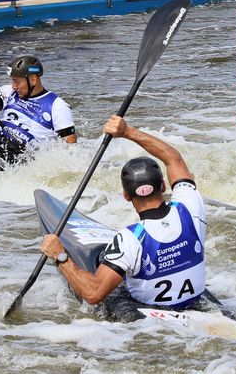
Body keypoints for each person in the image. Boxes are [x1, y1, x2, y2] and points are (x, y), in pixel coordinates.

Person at [41, 115, 206, 309]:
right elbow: (173, 158)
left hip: (155, 323)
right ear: (163, 186)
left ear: (126, 196)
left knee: (109, 263)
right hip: (197, 307)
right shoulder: (190, 206)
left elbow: (94, 294)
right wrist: (128, 131)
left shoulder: (129, 239)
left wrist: (61, 257)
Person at [0, 55, 77, 161]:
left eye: (17, 81)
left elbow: (69, 150)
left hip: (24, 158)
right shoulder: (8, 91)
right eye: (12, 80)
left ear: (33, 79)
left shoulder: (58, 106)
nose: (14, 86)